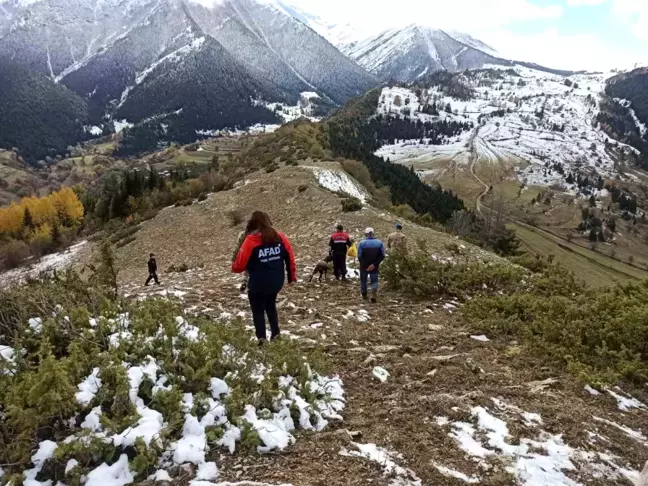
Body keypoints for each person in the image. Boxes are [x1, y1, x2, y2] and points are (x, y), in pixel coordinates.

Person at [232, 211, 297, 345]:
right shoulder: (280, 237)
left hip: (258, 284)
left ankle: (262, 340)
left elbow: (238, 266)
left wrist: (235, 265)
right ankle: (276, 334)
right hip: (276, 282)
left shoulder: (250, 240)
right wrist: (291, 277)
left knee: (258, 311)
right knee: (270, 305)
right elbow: (290, 257)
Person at [357, 227, 385, 303]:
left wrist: (366, 265)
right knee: (374, 281)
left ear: (366, 234)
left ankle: (364, 295)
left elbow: (359, 256)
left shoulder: (362, 243)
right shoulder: (379, 243)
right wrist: (374, 264)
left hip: (364, 266)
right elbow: (382, 255)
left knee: (363, 280)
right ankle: (373, 292)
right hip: (375, 266)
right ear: (373, 233)